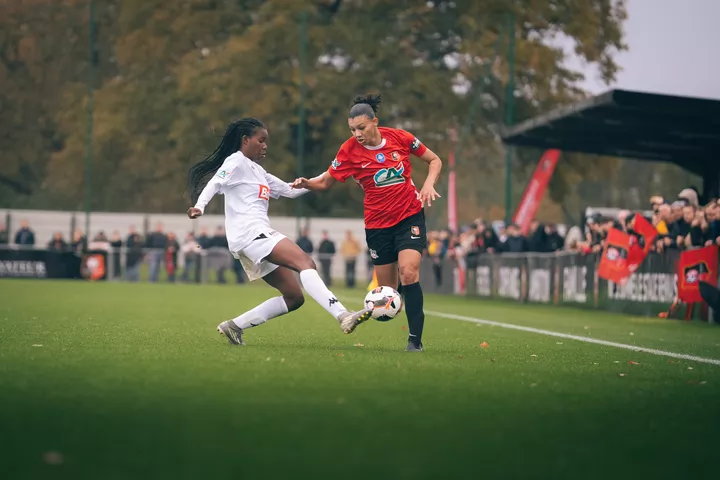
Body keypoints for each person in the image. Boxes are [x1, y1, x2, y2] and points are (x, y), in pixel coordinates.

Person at [186, 117, 370, 345]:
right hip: (252, 234)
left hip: (250, 239)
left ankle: (234, 326)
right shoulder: (236, 161)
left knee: (294, 297)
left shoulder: (258, 172)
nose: (265, 146)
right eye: (261, 140)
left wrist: (330, 173)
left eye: (266, 141)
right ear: (245, 140)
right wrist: (200, 206)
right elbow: (215, 182)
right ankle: (342, 315)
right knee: (306, 263)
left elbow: (290, 190)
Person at [291, 94, 443, 352]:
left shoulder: (400, 138)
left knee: (408, 271)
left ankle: (414, 341)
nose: (357, 134)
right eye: (352, 129)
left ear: (375, 121)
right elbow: (326, 181)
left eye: (361, 128)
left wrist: (428, 184)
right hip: (377, 225)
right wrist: (307, 183)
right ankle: (385, 302)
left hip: (409, 216)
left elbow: (435, 160)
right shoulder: (349, 150)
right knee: (388, 293)